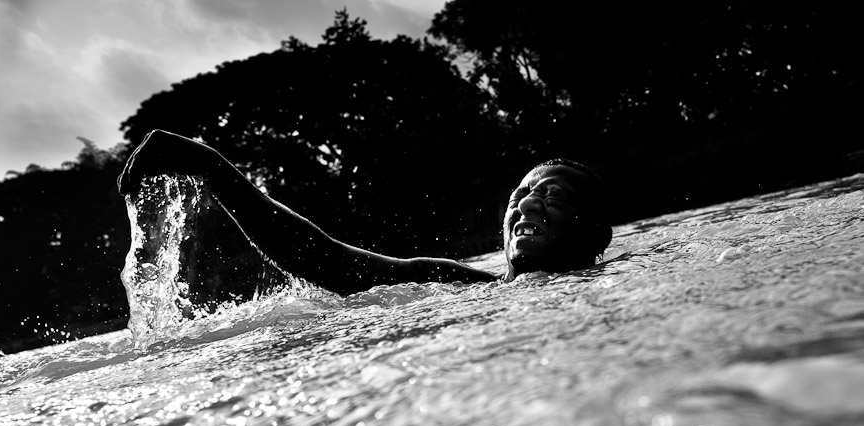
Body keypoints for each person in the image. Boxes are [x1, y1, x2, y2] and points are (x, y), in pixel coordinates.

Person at [118, 130, 612, 295]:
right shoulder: (449, 284)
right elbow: (324, 259)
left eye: (552, 197)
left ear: (596, 235)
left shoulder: (617, 287)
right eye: (518, 197)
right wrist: (214, 169)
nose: (526, 203)